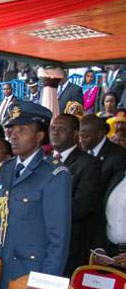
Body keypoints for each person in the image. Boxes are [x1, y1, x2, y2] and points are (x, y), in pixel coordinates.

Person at [0, 101, 71, 289]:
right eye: (11, 129)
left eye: (22, 129)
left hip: (30, 279)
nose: (13, 134)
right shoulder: (5, 169)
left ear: (40, 135)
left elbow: (58, 239)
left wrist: (45, 287)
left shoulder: (53, 175)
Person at [50, 114, 102, 276]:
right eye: (53, 128)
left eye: (61, 129)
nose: (55, 133)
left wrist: (43, 208)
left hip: (70, 245)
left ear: (74, 134)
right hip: (42, 244)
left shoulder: (88, 164)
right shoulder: (44, 161)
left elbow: (80, 207)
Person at [79, 115, 126, 187]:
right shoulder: (80, 152)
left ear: (100, 134)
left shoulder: (118, 156)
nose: (81, 140)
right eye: (80, 136)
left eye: (86, 136)